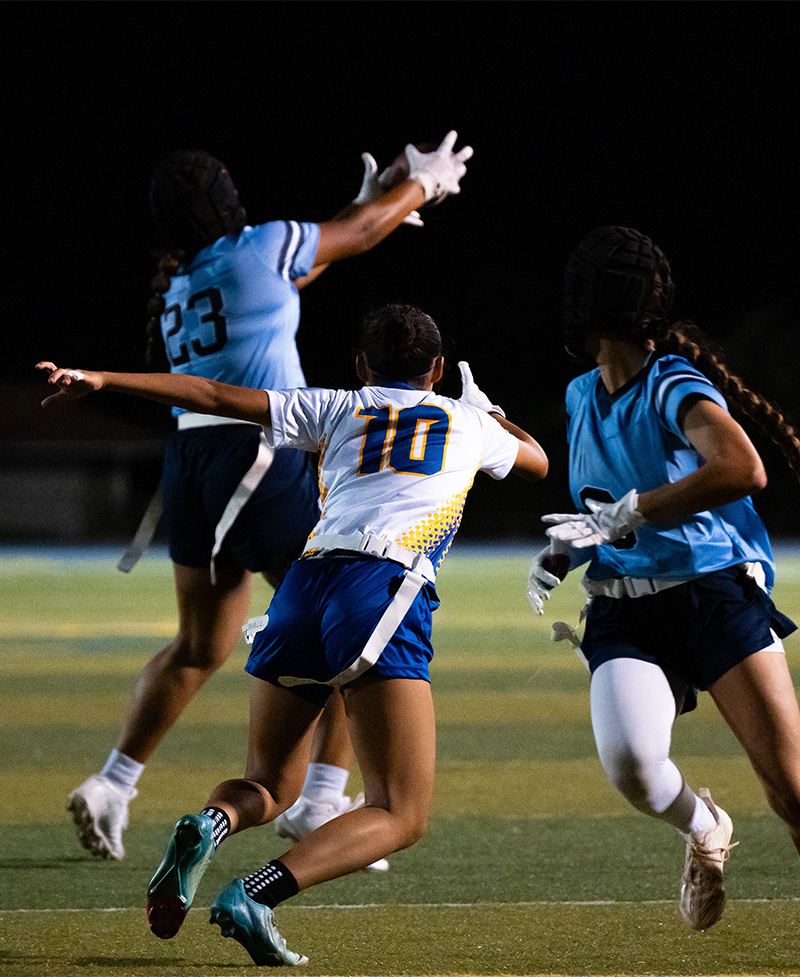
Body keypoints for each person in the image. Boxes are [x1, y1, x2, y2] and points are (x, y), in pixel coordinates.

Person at [37, 302, 548, 965]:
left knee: (268, 781)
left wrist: (103, 378)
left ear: (362, 365)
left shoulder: (338, 405)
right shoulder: (469, 423)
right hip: (381, 592)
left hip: (304, 587)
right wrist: (488, 409)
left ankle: (210, 823)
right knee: (401, 811)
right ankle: (258, 892)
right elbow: (536, 458)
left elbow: (215, 394)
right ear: (439, 369)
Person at [66, 134, 474, 864]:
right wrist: (424, 186)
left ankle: (113, 781)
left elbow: (310, 264)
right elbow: (356, 239)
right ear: (228, 202)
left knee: (203, 642)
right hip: (257, 459)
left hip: (191, 459)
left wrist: (366, 203)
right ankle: (320, 799)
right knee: (353, 606)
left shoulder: (185, 282)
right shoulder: (256, 247)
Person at [527, 225, 800, 932]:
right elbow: (605, 510)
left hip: (712, 592)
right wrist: (570, 548)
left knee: (793, 789)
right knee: (635, 767)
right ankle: (705, 825)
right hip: (624, 606)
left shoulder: (671, 382)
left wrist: (635, 509)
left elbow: (744, 468)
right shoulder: (580, 394)